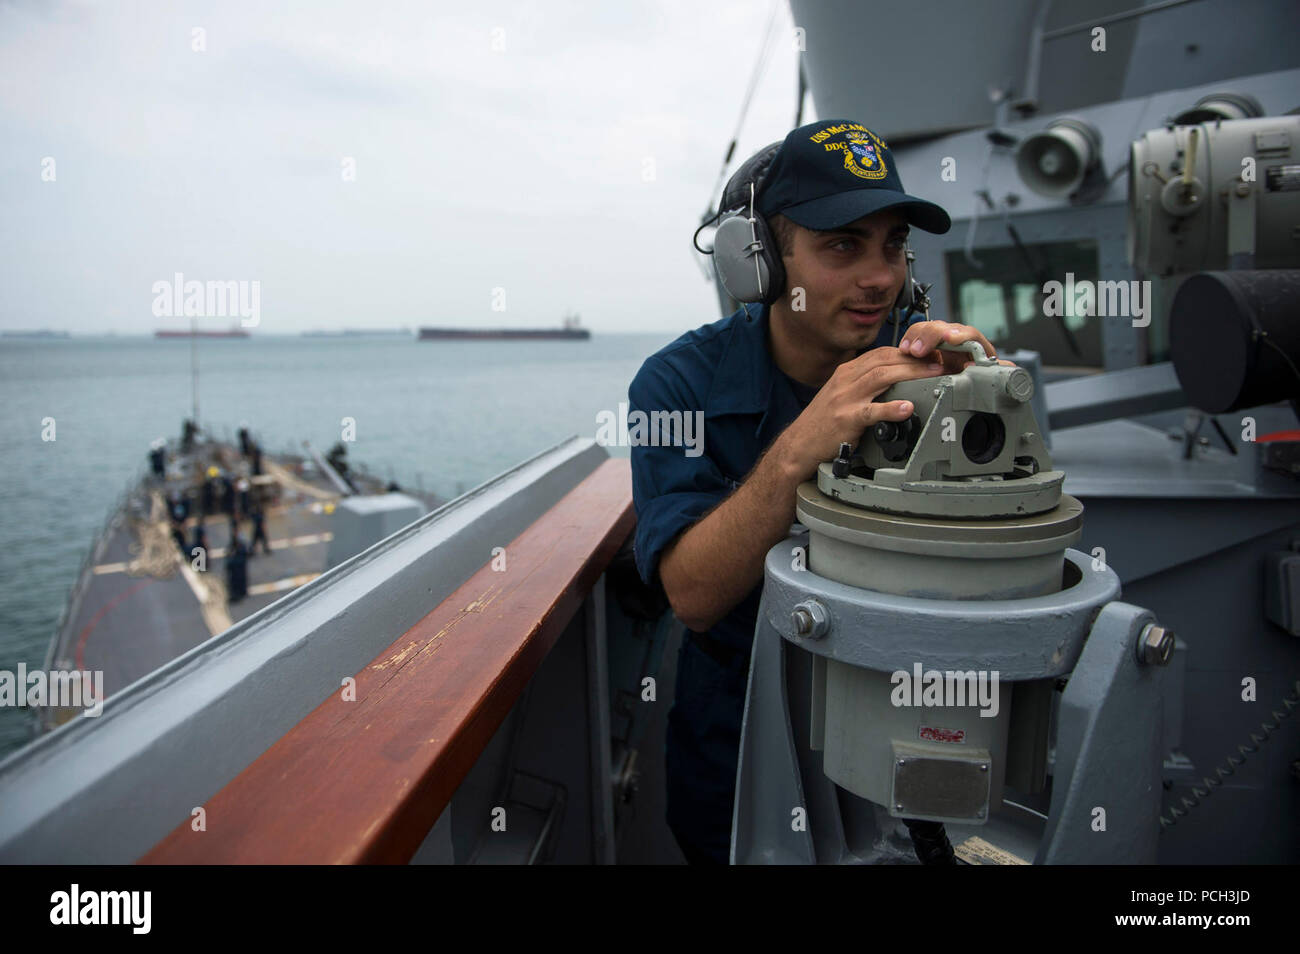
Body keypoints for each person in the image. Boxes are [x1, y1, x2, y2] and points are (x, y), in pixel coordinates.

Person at [628, 119, 1013, 866]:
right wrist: (801, 446)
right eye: (843, 246)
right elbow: (692, 593)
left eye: (893, 245)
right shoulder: (674, 386)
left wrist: (980, 420)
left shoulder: (926, 369)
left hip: (909, 727)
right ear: (762, 262)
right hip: (742, 745)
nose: (880, 277)